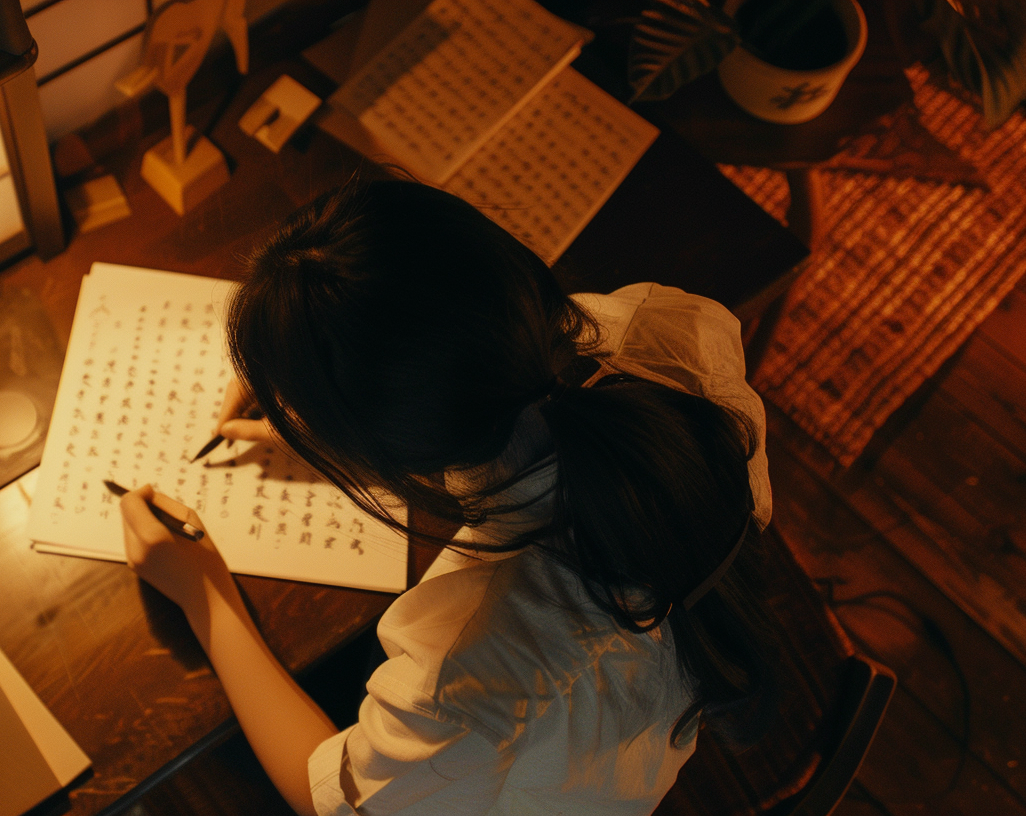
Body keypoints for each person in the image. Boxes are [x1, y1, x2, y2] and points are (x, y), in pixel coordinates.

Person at [118, 179, 783, 816]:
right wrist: (351, 414)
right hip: (689, 674)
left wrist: (205, 595)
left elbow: (331, 800)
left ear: (381, 450)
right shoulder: (666, 329)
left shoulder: (467, 660)